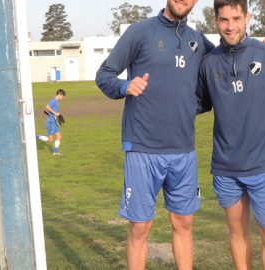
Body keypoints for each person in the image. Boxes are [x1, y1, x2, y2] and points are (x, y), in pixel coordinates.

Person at [95, 1, 214, 269]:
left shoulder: (198, 41)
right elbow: (104, 75)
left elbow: (229, 61)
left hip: (183, 149)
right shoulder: (140, 32)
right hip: (143, 147)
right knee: (140, 226)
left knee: (184, 222)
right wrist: (125, 85)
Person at [196, 0, 265, 269]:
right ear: (215, 21)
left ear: (247, 17)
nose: (230, 26)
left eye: (235, 19)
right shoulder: (209, 63)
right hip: (226, 168)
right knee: (237, 234)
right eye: (223, 20)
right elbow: (199, 102)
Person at [36, 89, 66, 156]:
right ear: (59, 95)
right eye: (62, 96)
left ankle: (55, 152)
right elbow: (47, 107)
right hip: (51, 123)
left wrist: (55, 114)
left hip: (54, 122)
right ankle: (34, 137)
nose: (62, 98)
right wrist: (55, 113)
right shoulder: (54, 100)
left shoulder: (56, 101)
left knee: (59, 136)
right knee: (50, 140)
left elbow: (47, 110)